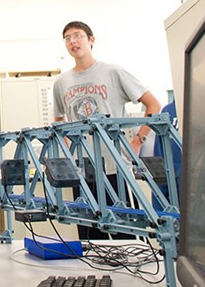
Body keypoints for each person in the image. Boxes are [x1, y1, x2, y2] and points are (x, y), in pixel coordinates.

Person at [52, 20, 161, 240]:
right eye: (67, 38)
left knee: (125, 238)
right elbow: (58, 122)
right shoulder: (61, 82)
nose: (73, 41)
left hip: (115, 167)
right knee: (90, 240)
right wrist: (69, 155)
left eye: (77, 35)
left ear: (91, 40)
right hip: (82, 171)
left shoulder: (114, 72)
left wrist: (137, 142)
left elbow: (154, 105)